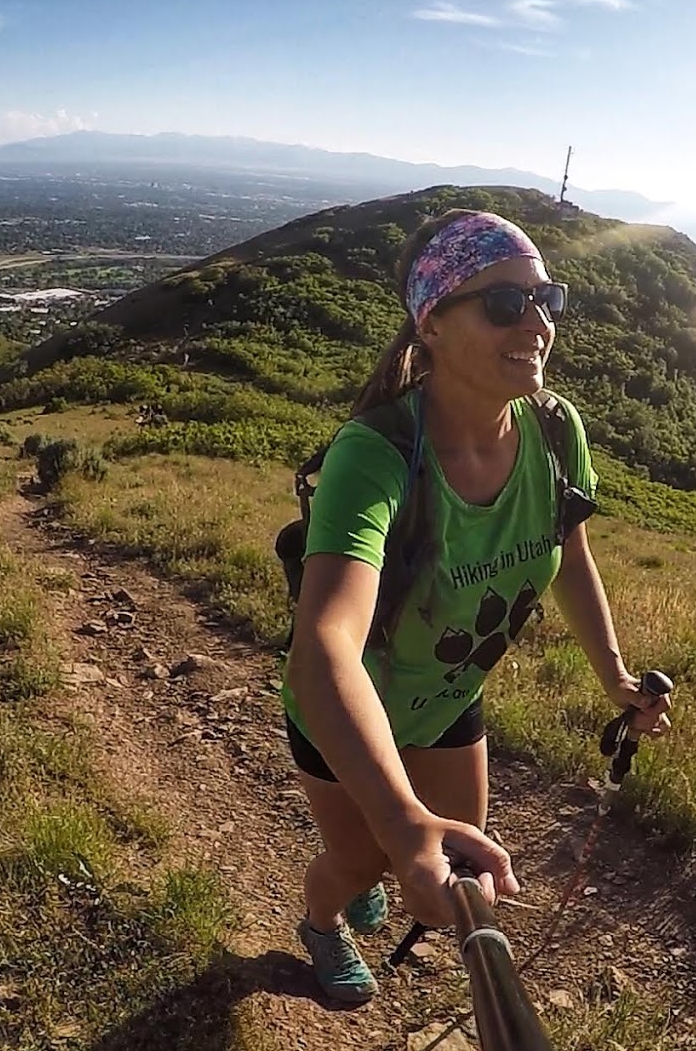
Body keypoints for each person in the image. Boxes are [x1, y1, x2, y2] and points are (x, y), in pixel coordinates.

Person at [280, 208, 672, 1002]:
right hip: (352, 710)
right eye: (503, 304)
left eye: (546, 300)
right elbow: (325, 648)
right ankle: (323, 924)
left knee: (457, 854)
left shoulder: (559, 432)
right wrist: (399, 826)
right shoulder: (377, 451)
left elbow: (572, 557)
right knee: (363, 859)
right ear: (431, 322)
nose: (536, 323)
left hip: (451, 697)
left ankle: (375, 872)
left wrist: (617, 678)